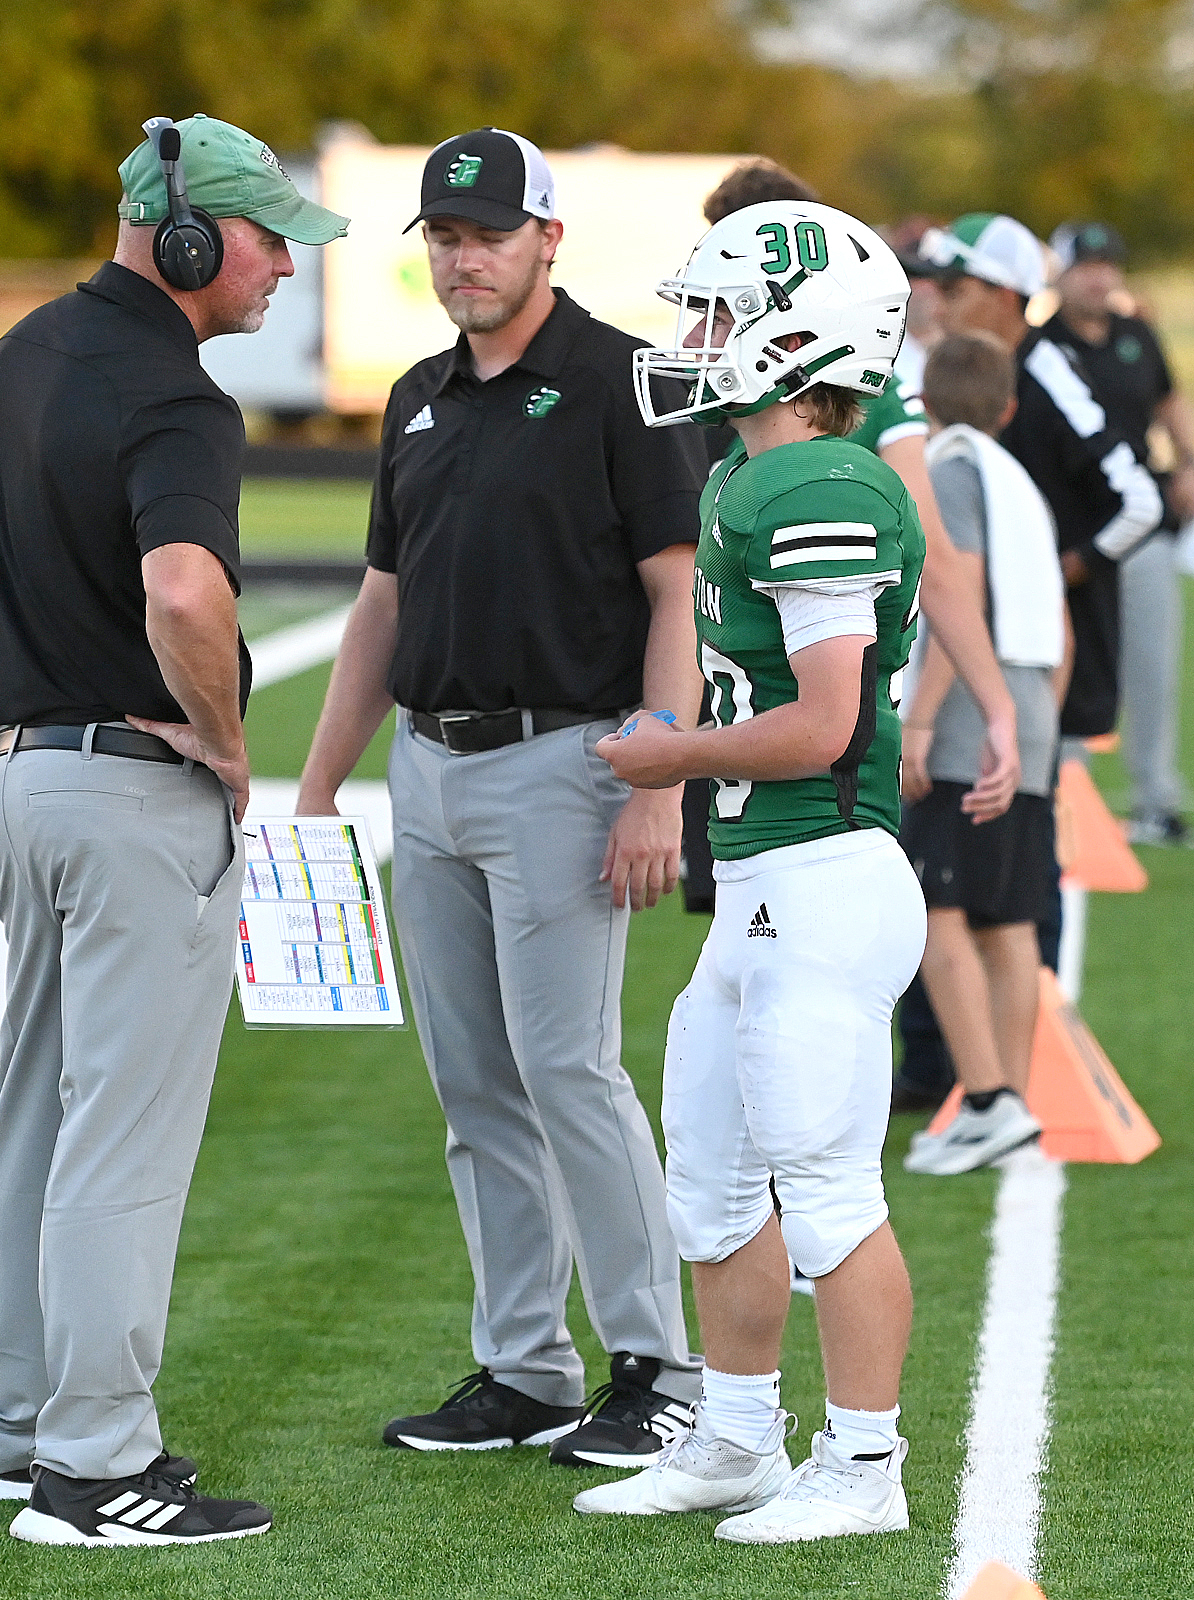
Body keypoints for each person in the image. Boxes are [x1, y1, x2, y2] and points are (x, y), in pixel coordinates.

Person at [0, 113, 349, 1547]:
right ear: (190, 238)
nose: (287, 269)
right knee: (124, 1143)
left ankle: (15, 1432)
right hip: (133, 798)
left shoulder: (22, 351)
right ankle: (93, 1468)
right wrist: (223, 739)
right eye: (270, 240)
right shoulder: (174, 395)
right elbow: (186, 592)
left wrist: (22, 705)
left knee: (35, 1111)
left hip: (24, 785)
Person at [294, 127, 706, 1468]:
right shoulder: (416, 395)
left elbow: (676, 591)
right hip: (427, 769)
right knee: (472, 1080)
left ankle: (659, 1366)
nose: (464, 258)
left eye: (488, 234)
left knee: (569, 1069)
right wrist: (319, 785)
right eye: (445, 236)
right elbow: (382, 602)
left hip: (568, 763)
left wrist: (657, 777)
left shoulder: (620, 381)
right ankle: (525, 1368)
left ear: (547, 239)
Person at [575, 200, 927, 1543]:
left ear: (795, 334)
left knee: (828, 1191)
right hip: (763, 880)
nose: (692, 338)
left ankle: (865, 1464)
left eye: (716, 313)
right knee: (713, 1185)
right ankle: (733, 1437)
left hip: (825, 874)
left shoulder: (819, 483)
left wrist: (672, 755)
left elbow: (825, 722)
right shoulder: (742, 471)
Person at [682, 159, 1020, 939]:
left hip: (806, 752)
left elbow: (937, 558)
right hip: (742, 709)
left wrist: (994, 704)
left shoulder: (854, 397)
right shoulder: (735, 424)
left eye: (733, 299)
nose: (705, 330)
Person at [899, 333, 1072, 1176]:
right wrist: (1040, 725)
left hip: (970, 714)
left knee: (937, 908)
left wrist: (921, 719)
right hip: (1028, 705)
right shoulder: (1019, 481)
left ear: (923, 403)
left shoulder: (952, 470)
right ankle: (1010, 1105)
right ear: (1009, 407)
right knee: (1009, 919)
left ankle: (986, 1099)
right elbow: (1062, 629)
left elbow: (954, 594)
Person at [920, 213, 1163, 752]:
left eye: (954, 291)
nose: (938, 308)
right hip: (976, 646)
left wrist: (1056, 573)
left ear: (1005, 295)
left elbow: (1140, 500)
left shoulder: (1049, 373)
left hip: (1048, 656)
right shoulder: (963, 372)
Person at [1045, 220, 1194, 844]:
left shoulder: (1136, 335)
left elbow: (1169, 401)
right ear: (1061, 272)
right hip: (1077, 529)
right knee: (1072, 661)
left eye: (1108, 265)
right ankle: (1064, 801)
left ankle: (1157, 798)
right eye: (1087, 266)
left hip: (1143, 522)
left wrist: (1189, 464)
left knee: (1154, 663)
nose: (1099, 278)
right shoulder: (1044, 345)